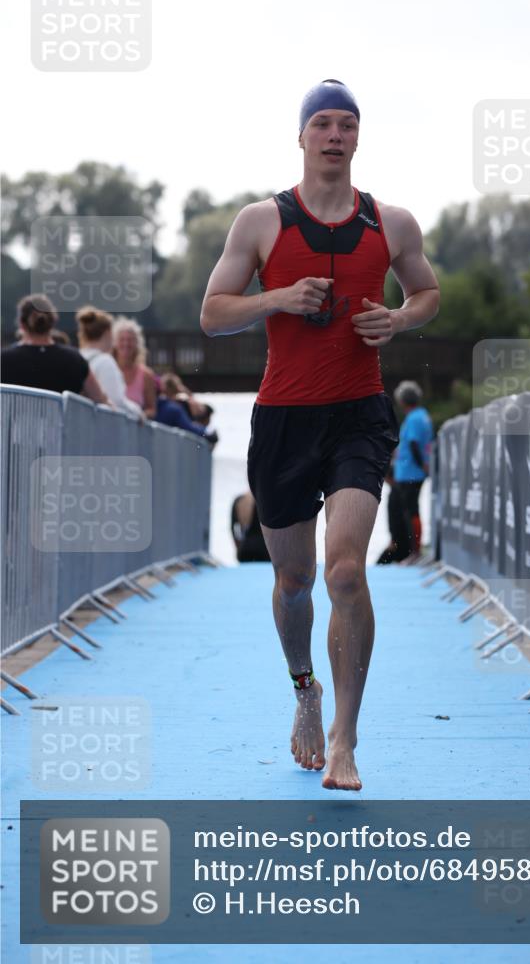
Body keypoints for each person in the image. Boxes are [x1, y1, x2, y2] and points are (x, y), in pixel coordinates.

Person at [200, 78, 440, 790]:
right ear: (301, 136)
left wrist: (396, 319)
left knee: (344, 570)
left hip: (358, 416)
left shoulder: (390, 222)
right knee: (294, 580)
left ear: (357, 137)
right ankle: (304, 688)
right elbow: (213, 312)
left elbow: (426, 294)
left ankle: (345, 738)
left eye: (347, 124)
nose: (334, 136)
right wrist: (276, 297)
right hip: (282, 419)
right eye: (322, 124)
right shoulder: (260, 221)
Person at [1, 294, 108, 404]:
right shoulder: (74, 359)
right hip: (66, 422)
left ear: (21, 324)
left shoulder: (4, 359)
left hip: (17, 421)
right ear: (53, 321)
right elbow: (99, 399)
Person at [76, 306, 144, 419]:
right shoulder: (105, 361)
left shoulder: (77, 356)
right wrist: (137, 412)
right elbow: (116, 401)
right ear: (108, 333)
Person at [393, 380, 434, 560]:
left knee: (411, 511)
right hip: (411, 471)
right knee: (409, 510)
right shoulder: (422, 415)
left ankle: (415, 552)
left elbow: (414, 443)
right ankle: (412, 550)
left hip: (411, 472)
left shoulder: (415, 418)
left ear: (402, 401)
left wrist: (422, 465)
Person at [112, 317, 158, 418]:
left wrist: (140, 415)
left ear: (137, 343)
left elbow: (152, 410)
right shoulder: (108, 370)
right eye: (122, 339)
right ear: (114, 343)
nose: (126, 343)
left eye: (130, 340)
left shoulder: (146, 375)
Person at [155, 373, 218, 445]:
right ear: (177, 389)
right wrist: (208, 433)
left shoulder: (157, 403)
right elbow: (189, 427)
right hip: (168, 448)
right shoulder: (174, 409)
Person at [376, 463, 411, 565]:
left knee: (380, 564)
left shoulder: (395, 493)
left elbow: (396, 519)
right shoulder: (399, 491)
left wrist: (394, 539)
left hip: (399, 541)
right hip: (402, 539)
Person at [231, 491, 270, 562]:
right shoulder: (266, 499)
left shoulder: (239, 500)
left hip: (244, 549)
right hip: (265, 550)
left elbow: (234, 531)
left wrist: (239, 548)